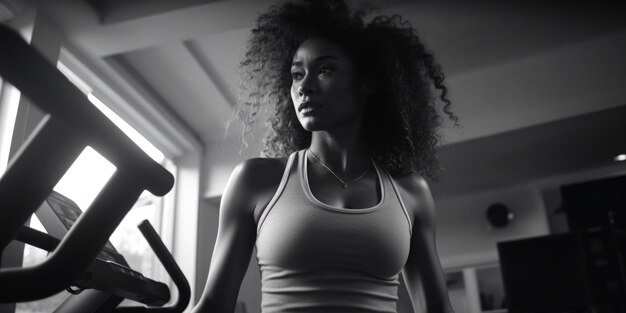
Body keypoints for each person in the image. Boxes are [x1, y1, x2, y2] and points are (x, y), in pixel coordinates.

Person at [193, 0, 458, 312]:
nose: (304, 86)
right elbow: (212, 305)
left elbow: (437, 308)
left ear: (368, 81)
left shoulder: (411, 193)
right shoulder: (257, 180)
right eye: (296, 74)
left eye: (324, 70)